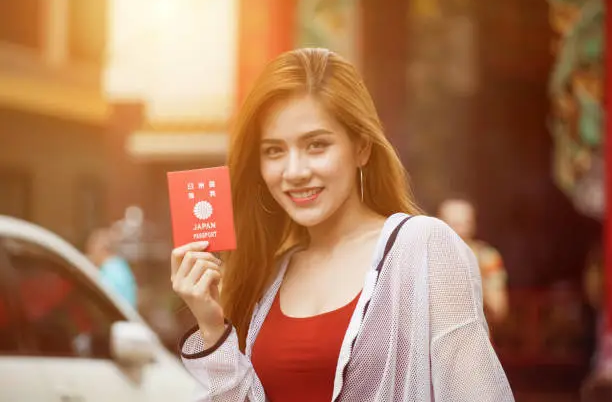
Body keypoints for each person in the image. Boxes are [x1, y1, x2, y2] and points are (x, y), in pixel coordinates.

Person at [171, 48, 514, 401]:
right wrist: (212, 326)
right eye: (274, 151)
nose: (295, 172)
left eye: (316, 145)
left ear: (361, 147)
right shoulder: (271, 274)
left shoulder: (423, 247)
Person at [438, 198, 509, 325]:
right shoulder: (429, 257)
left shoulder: (486, 257)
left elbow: (498, 309)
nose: (461, 230)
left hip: (474, 336)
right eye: (454, 224)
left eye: (465, 223)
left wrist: (474, 277)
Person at [86, 228, 137, 308]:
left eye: (92, 250)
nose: (90, 255)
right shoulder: (120, 266)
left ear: (102, 250)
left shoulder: (110, 272)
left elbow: (103, 301)